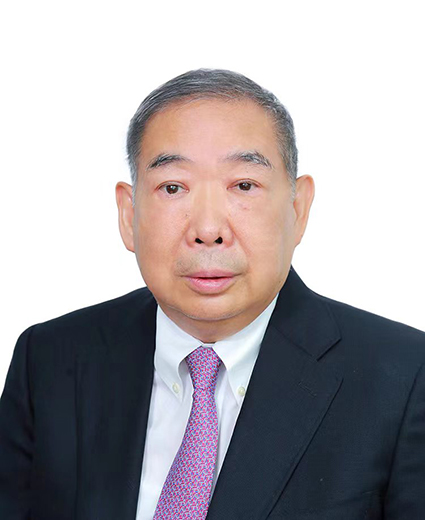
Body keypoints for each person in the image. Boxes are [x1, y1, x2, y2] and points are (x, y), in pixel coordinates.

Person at [0, 68, 424, 520]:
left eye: (243, 185)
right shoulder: (50, 359)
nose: (207, 229)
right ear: (128, 214)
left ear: (298, 209)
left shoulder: (404, 378)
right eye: (173, 187)